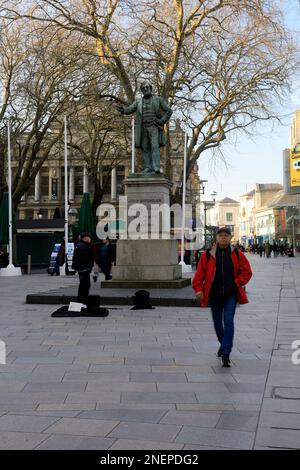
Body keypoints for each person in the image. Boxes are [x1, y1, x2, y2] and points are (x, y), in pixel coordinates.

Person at [192, 227, 252, 367]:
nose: (223, 238)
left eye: (226, 235)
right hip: (214, 295)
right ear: (216, 238)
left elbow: (247, 272)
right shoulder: (208, 255)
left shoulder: (237, 254)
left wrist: (237, 282)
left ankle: (226, 353)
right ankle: (224, 343)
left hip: (231, 294)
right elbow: (199, 275)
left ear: (230, 238)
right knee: (218, 324)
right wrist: (198, 290)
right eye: (221, 235)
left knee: (229, 321)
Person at [117, 81, 172, 174]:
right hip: (142, 127)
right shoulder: (138, 102)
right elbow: (130, 108)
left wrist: (162, 120)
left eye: (147, 87)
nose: (145, 89)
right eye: (143, 88)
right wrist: (123, 110)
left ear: (150, 88)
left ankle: (156, 167)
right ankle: (148, 167)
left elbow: (169, 111)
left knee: (154, 146)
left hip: (154, 126)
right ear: (142, 90)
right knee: (145, 147)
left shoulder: (158, 99)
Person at [71, 232, 94, 305]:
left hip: (82, 269)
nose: (90, 239)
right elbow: (85, 258)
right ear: (85, 238)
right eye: (89, 238)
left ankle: (81, 301)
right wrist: (89, 266)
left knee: (83, 285)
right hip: (83, 269)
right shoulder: (83, 246)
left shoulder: (81, 245)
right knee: (85, 285)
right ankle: (82, 302)